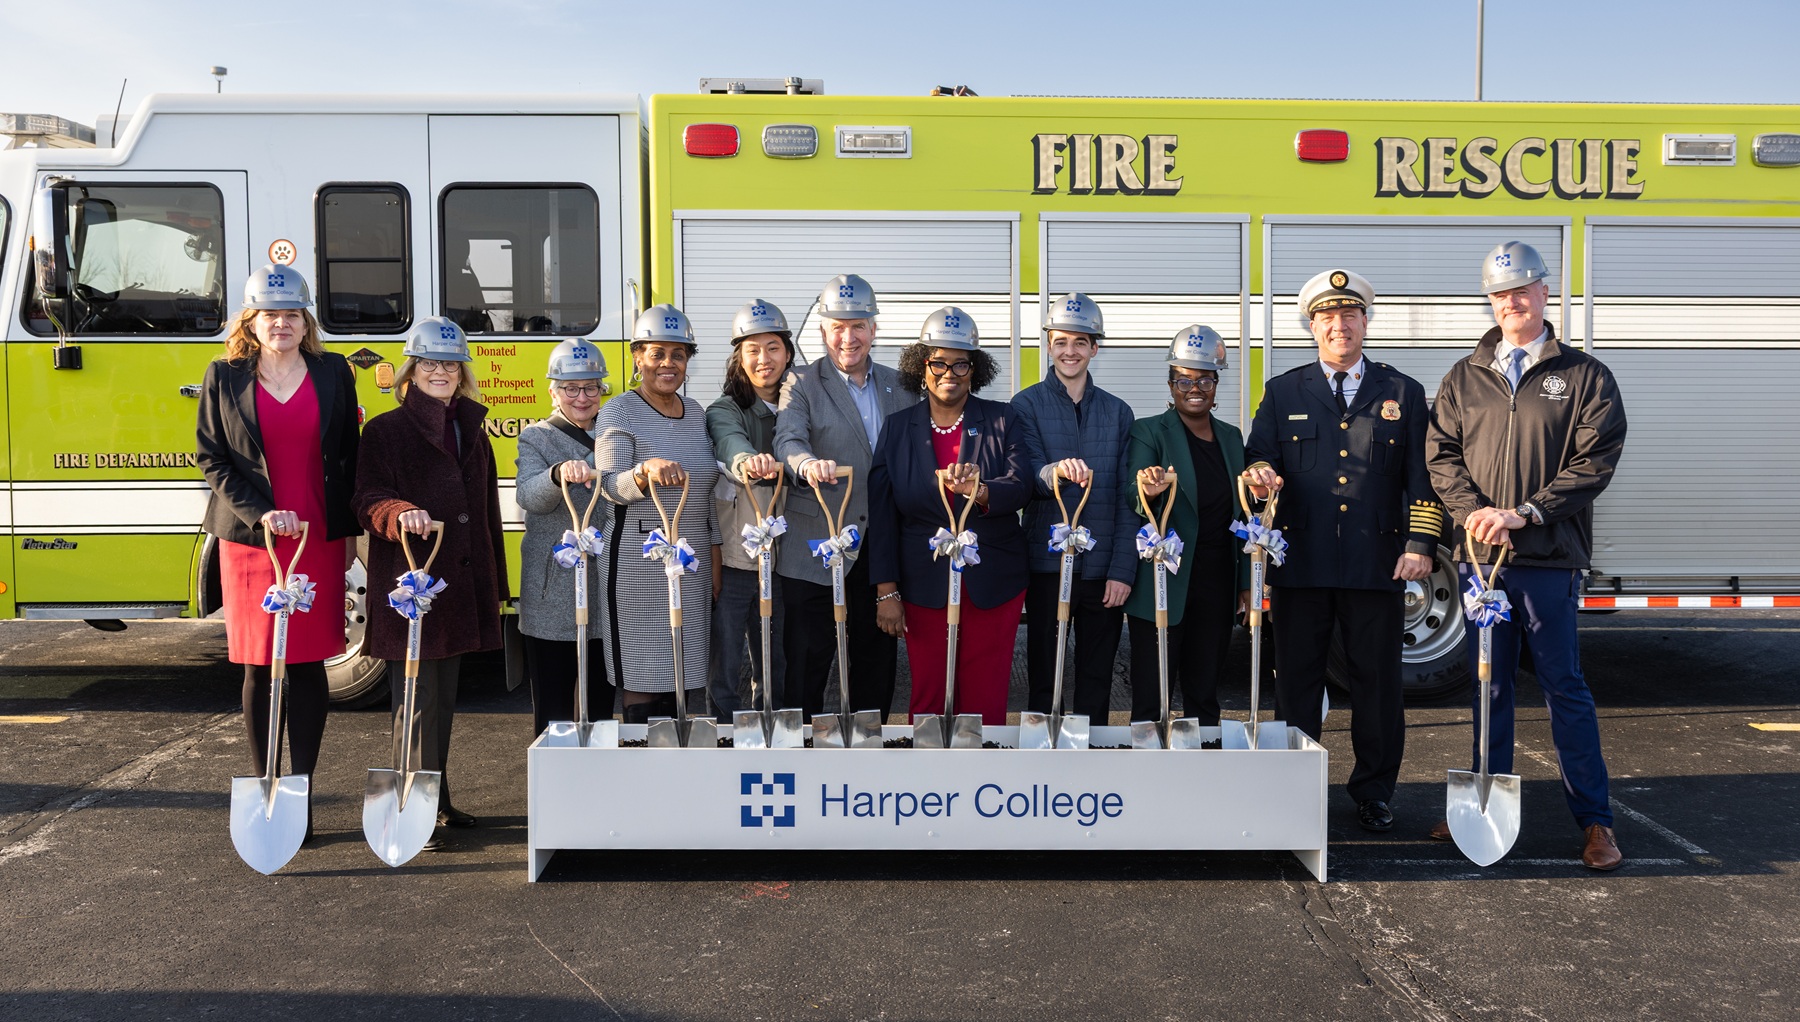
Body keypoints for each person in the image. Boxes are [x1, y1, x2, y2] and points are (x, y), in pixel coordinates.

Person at [1427, 241, 1629, 870]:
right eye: (1499, 294)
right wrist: (1475, 515)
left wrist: (1526, 512)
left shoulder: (1586, 375)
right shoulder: (1465, 377)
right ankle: (1486, 806)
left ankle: (1595, 822)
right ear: (1490, 301)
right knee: (1488, 687)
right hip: (1480, 562)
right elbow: (1441, 456)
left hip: (1548, 558)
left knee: (1564, 687)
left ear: (1545, 293)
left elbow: (1595, 460)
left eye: (1522, 290)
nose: (1511, 302)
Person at [1243, 269, 1443, 834]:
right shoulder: (1284, 390)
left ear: (1364, 322)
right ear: (1312, 326)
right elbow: (1257, 459)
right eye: (1327, 317)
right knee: (1298, 682)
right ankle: (1294, 785)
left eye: (1349, 315)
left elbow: (1421, 476)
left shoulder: (1401, 391)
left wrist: (1422, 542)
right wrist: (1259, 477)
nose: (1339, 325)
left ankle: (1374, 791)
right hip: (1300, 562)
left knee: (1377, 684)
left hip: (1375, 561)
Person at [197, 265, 358, 842]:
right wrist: (259, 511)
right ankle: (266, 784)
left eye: (292, 314)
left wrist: (358, 524)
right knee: (260, 665)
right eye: (271, 314)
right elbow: (212, 459)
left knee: (309, 664)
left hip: (316, 539)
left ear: (305, 320)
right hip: (251, 542)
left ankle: (301, 790)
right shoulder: (224, 376)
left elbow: (347, 455)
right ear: (252, 321)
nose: (282, 323)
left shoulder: (334, 372)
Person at [353, 317, 508, 846]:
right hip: (412, 585)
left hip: (460, 583)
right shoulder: (385, 431)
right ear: (411, 371)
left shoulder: (472, 427)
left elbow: (486, 510)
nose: (440, 371)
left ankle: (435, 798)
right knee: (413, 699)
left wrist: (494, 584)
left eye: (449, 364)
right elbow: (366, 498)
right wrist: (400, 513)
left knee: (441, 700)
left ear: (462, 373)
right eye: (428, 363)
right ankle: (410, 806)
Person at [869, 307, 1031, 726]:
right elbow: (884, 515)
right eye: (938, 362)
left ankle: (985, 787)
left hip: (993, 582)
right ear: (921, 365)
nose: (949, 372)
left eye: (961, 363)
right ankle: (926, 788)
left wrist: (979, 491)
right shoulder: (897, 427)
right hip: (923, 583)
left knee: (985, 696)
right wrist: (887, 591)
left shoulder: (1002, 419)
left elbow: (1022, 485)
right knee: (928, 693)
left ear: (974, 368)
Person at [774, 274, 917, 720]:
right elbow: (788, 439)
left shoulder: (903, 385)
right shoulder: (800, 383)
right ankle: (800, 757)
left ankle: (866, 760)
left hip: (878, 548)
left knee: (874, 664)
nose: (848, 336)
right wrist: (804, 463)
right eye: (838, 325)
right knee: (806, 665)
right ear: (822, 330)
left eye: (858, 325)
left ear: (874, 329)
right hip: (814, 545)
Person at [1010, 293, 1136, 726]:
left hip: (1102, 572)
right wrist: (1053, 472)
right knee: (1044, 674)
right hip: (1047, 566)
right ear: (1048, 343)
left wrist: (1123, 570)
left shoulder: (1119, 413)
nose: (1070, 351)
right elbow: (1025, 477)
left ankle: (1093, 770)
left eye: (1080, 342)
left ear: (1094, 349)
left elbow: (1127, 496)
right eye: (1061, 341)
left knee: (1097, 677)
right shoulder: (1024, 406)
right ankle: (1044, 769)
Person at [596, 304, 721, 723]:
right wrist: (643, 472)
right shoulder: (618, 411)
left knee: (686, 678)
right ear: (637, 357)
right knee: (644, 681)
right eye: (657, 353)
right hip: (638, 565)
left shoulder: (696, 413)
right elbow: (608, 486)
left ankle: (682, 774)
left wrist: (716, 558)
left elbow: (706, 491)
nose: (668, 363)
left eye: (678, 354)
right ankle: (643, 775)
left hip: (693, 563)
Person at [1125, 327, 1251, 731]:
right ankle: (1145, 775)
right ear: (1171, 385)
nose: (1194, 388)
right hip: (1164, 578)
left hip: (1216, 579)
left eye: (1204, 380)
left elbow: (1245, 518)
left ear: (1216, 384)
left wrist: (1247, 581)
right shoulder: (1149, 431)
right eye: (1184, 380)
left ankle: (1202, 773)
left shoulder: (1232, 439)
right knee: (1151, 693)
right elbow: (1134, 495)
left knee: (1204, 692)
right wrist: (1150, 488)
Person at [514, 339, 613, 738]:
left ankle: (602, 784)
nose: (582, 397)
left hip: (606, 589)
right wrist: (558, 473)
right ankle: (552, 791)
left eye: (591, 387)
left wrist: (593, 460)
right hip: (552, 595)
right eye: (570, 388)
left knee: (603, 706)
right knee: (553, 710)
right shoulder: (536, 438)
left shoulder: (614, 431)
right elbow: (529, 496)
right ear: (553, 390)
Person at [706, 299, 797, 719]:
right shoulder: (726, 409)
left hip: (787, 560)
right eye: (753, 349)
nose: (765, 359)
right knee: (724, 660)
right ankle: (724, 732)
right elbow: (729, 443)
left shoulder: (803, 403)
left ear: (788, 352)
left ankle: (772, 731)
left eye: (773, 347)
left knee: (776, 659)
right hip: (738, 555)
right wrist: (748, 461)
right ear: (738, 357)